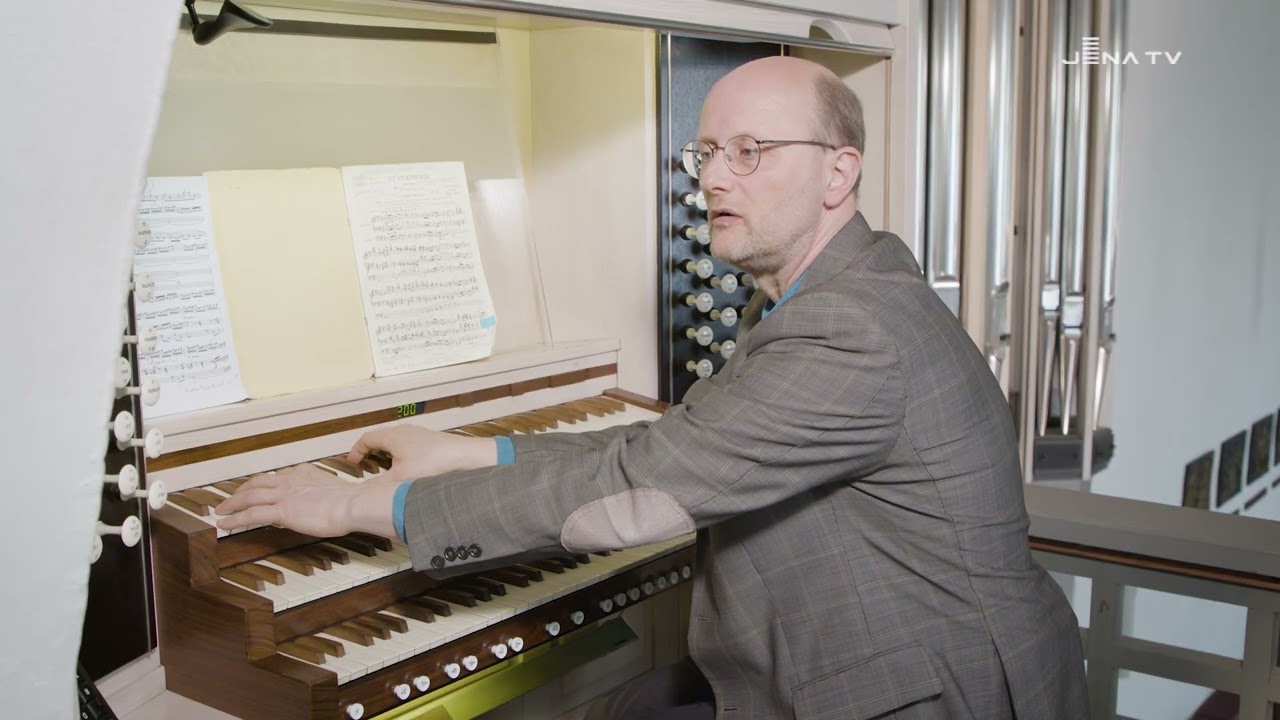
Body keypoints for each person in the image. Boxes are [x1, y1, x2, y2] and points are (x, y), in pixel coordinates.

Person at [217, 56, 1089, 719]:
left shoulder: (848, 329)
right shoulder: (831, 292)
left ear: (839, 173)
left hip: (934, 689)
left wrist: (362, 505)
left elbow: (640, 488)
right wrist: (470, 452)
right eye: (706, 152)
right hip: (888, 651)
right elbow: (679, 445)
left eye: (750, 152)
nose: (712, 178)